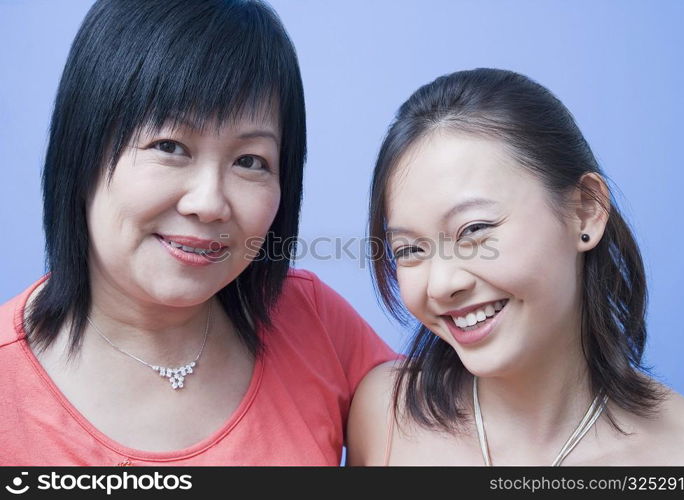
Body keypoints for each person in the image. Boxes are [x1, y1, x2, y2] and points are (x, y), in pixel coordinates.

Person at [0, 0, 395, 466]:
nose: (209, 203)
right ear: (81, 148)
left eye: (250, 161)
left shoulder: (311, 319)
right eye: (170, 146)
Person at [347, 68, 684, 465]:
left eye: (475, 229)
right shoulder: (383, 417)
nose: (441, 284)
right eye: (409, 250)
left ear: (585, 210)